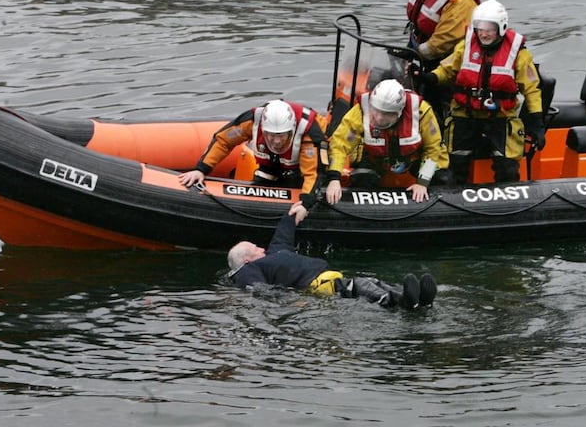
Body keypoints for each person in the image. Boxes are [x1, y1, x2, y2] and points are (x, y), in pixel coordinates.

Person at [412, 0, 545, 184]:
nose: (483, 33)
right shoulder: (466, 46)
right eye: (479, 28)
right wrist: (430, 77)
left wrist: (537, 123)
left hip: (500, 117)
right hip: (465, 115)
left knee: (507, 168)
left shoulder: (519, 54)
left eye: (489, 29)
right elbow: (448, 69)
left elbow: (531, 90)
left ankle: (506, 202)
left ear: (501, 27)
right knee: (454, 164)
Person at [227, 204, 437, 309]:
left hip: (329, 276)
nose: (261, 248)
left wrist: (292, 214)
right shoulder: (247, 271)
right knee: (359, 285)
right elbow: (259, 289)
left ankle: (417, 298)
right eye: (255, 248)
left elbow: (282, 235)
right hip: (317, 285)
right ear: (247, 259)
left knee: (372, 281)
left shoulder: (276, 253)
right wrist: (291, 300)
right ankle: (399, 301)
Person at [178, 99, 328, 209]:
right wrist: (201, 169)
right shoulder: (252, 120)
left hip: (299, 167)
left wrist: (306, 203)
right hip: (269, 165)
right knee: (261, 181)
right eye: (271, 135)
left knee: (298, 182)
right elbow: (224, 140)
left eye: (281, 136)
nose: (276, 141)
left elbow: (314, 172)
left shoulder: (309, 132)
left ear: (292, 129)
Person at [324, 79, 449, 205]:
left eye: (385, 114)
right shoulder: (362, 110)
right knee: (361, 179)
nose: (378, 117)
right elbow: (340, 144)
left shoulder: (421, 112)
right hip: (377, 160)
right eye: (376, 111)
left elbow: (433, 148)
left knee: (443, 178)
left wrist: (423, 183)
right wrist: (334, 179)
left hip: (414, 160)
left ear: (399, 112)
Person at [406, 0, 481, 121]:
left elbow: (444, 41)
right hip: (422, 52)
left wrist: (417, 52)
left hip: (448, 61)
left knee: (444, 105)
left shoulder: (461, 1)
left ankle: (444, 133)